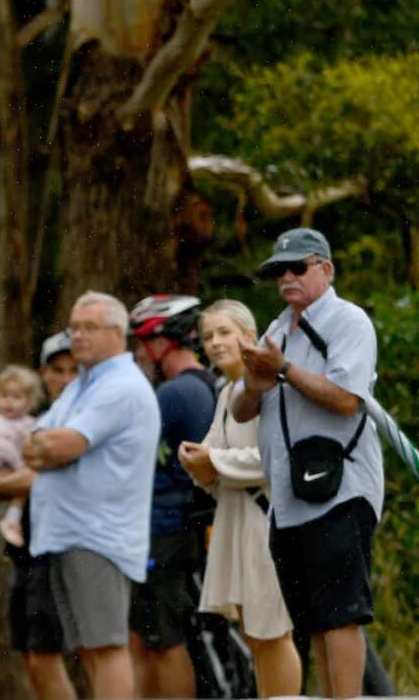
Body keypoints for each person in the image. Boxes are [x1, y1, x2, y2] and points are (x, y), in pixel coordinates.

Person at [231, 227, 384, 699]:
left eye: (298, 267)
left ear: (326, 269)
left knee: (340, 615)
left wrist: (283, 370)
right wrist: (255, 383)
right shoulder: (275, 330)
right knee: (314, 620)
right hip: (288, 496)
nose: (287, 278)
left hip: (339, 489)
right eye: (279, 270)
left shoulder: (348, 321)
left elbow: (346, 400)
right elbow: (240, 410)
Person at [22, 291, 160, 699]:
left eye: (89, 328)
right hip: (69, 533)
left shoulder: (120, 386)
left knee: (107, 646)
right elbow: (33, 442)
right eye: (74, 328)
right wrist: (45, 446)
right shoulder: (83, 385)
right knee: (88, 647)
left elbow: (62, 445)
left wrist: (48, 446)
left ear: (117, 332)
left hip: (98, 537)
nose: (78, 336)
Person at [178, 300, 301, 698]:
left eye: (224, 333)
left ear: (249, 336)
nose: (215, 343)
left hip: (266, 519)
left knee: (272, 631)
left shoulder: (272, 388)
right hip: (234, 517)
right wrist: (198, 463)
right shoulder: (228, 392)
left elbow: (275, 457)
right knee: (253, 631)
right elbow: (214, 456)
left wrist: (213, 461)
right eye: (208, 336)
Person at [0, 331, 78, 700]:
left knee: (45, 655)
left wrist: (3, 483)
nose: (64, 379)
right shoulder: (35, 421)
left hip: (57, 548)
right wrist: (3, 483)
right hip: (25, 546)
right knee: (29, 656)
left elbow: (37, 476)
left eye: (73, 370)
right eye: (57, 370)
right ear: (43, 374)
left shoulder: (80, 421)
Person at [126, 294, 217, 698]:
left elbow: (125, 447)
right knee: (148, 640)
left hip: (166, 531)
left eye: (142, 343)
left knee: (162, 642)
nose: (138, 354)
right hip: (178, 528)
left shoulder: (175, 393)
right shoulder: (201, 384)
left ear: (163, 342)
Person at [0, 364, 44, 547]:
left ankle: (13, 519)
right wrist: (21, 466)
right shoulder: (0, 423)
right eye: (4, 396)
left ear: (29, 402)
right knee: (24, 484)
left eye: (16, 397)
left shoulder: (29, 421)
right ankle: (12, 520)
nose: (9, 402)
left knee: (25, 487)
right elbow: (2, 448)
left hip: (18, 465)